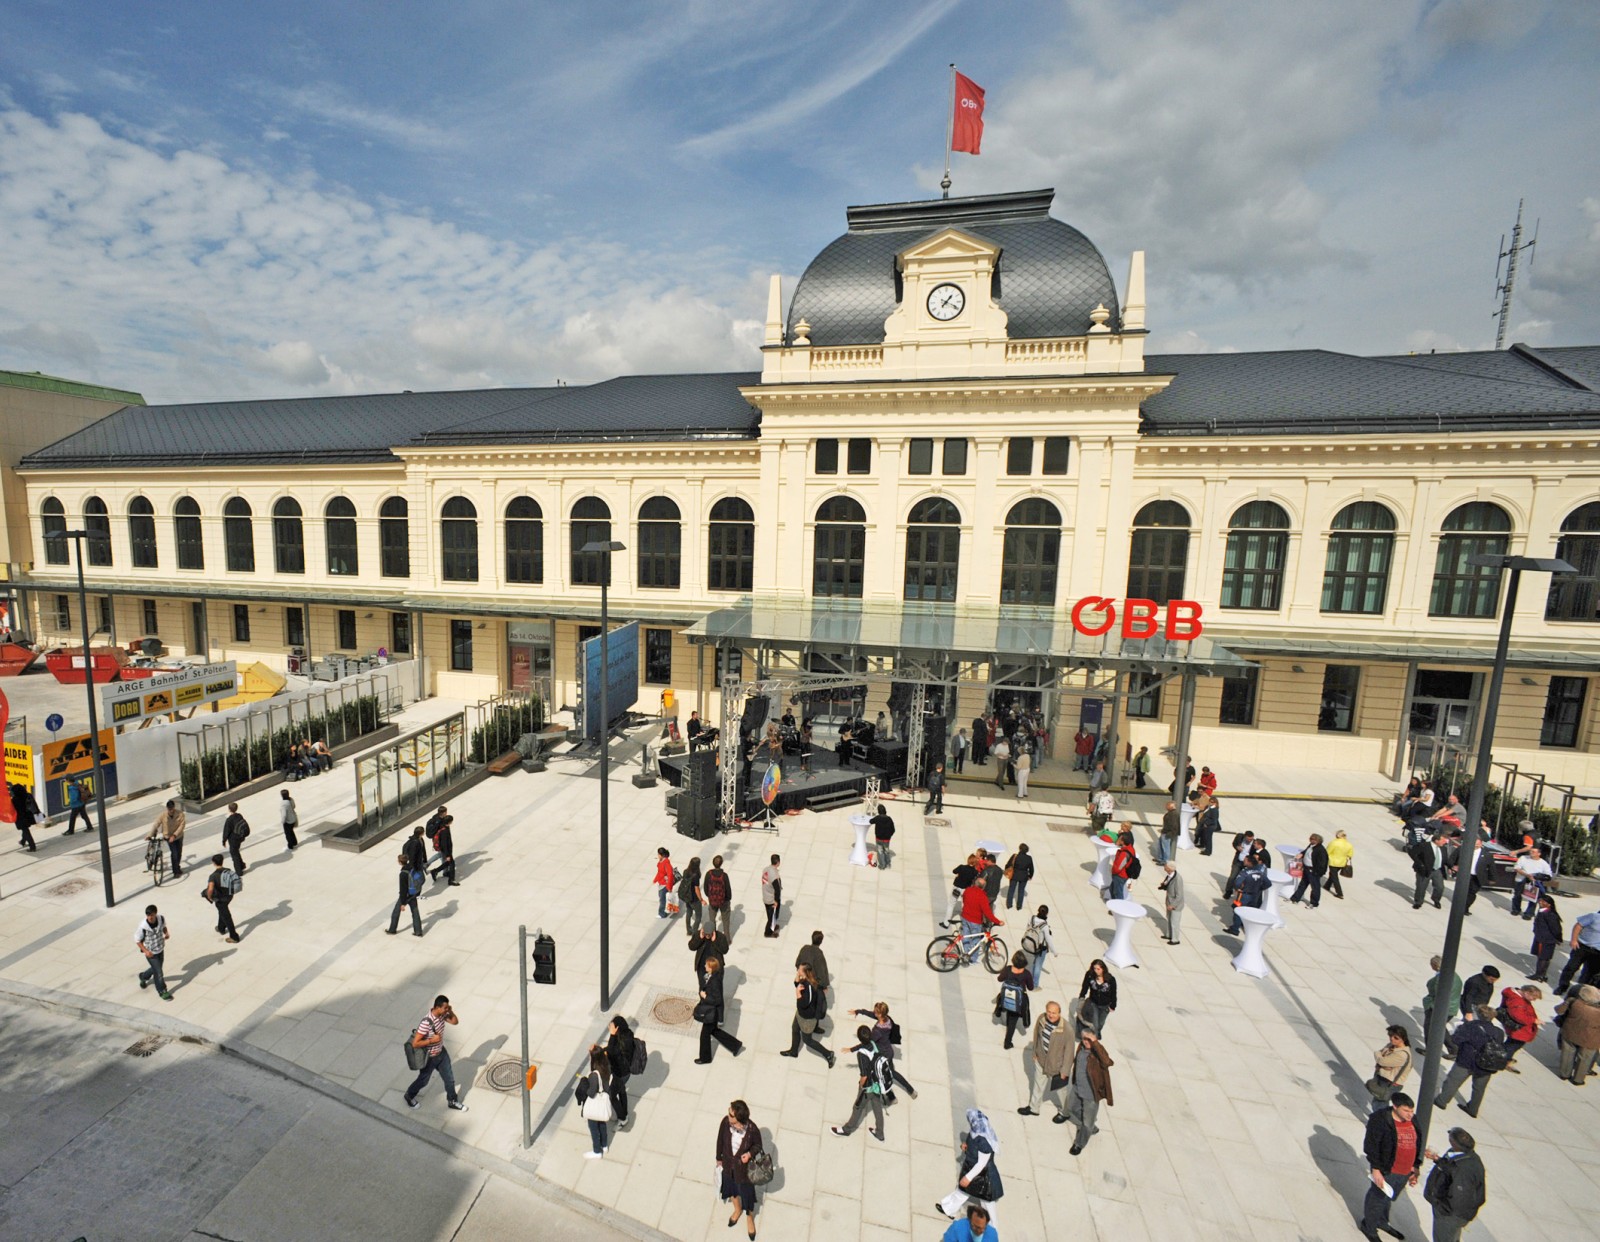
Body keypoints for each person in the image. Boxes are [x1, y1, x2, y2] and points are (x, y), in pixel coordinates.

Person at [1359, 1094, 1421, 1242]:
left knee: (1388, 1198)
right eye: (1406, 1110)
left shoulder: (1413, 1119)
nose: (1410, 1114)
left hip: (1405, 1171)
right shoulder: (1380, 1120)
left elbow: (1418, 1142)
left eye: (1411, 1111)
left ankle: (1381, 1221)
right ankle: (1369, 1227)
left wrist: (1415, 1166)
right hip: (1388, 1169)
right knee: (1377, 1199)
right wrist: (1376, 1169)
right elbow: (1371, 1146)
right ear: (1395, 1107)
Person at [1434, 1004, 1507, 1118]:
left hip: (1466, 1061)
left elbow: (1456, 1040)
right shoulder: (1499, 1032)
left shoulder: (1471, 1026)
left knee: (1453, 1082)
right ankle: (1473, 1109)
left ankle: (1442, 1101)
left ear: (1478, 1014)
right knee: (1479, 1088)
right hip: (1486, 1065)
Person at [936, 1108, 1003, 1221]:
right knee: (962, 1191)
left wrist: (968, 1178)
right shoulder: (976, 1131)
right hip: (973, 1170)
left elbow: (982, 1163)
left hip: (985, 1177)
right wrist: (966, 1146)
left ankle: (992, 1232)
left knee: (988, 1204)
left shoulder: (983, 1142)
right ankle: (949, 1209)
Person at [1423, 1128, 1487, 1242]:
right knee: (1452, 1238)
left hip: (1450, 1215)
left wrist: (1440, 1207)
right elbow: (1450, 1169)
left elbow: (1458, 1198)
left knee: (1443, 1238)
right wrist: (1437, 1160)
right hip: (1452, 1213)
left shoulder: (1464, 1169)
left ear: (1454, 1142)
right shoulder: (1463, 1155)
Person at [404, 995, 467, 1111]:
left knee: (449, 1079)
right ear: (437, 1007)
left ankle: (452, 1101)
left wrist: (450, 1011)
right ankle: (409, 1095)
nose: (447, 1010)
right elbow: (415, 1043)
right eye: (445, 1008)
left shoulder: (442, 1015)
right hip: (429, 1058)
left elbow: (455, 1022)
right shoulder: (426, 1023)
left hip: (441, 1053)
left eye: (448, 1007)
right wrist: (431, 1040)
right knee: (423, 1080)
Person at [830, 1024, 888, 1142]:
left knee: (857, 1107)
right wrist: (851, 1049)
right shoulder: (874, 1044)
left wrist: (861, 1086)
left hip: (868, 1086)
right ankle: (880, 1133)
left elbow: (864, 1075)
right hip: (878, 1083)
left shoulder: (861, 1055)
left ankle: (847, 1130)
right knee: (877, 1107)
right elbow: (864, 1045)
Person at [716, 1099, 763, 1239]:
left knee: (747, 1196)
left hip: (744, 1172)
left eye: (732, 1116)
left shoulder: (752, 1130)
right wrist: (718, 1158)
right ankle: (737, 1210)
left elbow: (758, 1146)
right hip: (728, 1167)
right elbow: (719, 1140)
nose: (728, 1116)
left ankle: (749, 1218)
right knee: (732, 1191)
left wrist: (749, 1154)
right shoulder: (725, 1122)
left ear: (740, 1120)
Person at [1016, 998, 1070, 1120]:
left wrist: (1065, 1071)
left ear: (1059, 1013)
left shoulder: (1067, 1029)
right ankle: (1034, 1108)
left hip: (1057, 1066)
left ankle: (1065, 1112)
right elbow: (1036, 1035)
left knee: (1061, 1091)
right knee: (1038, 1084)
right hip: (1041, 1060)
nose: (1051, 1015)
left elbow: (1069, 1052)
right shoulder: (1042, 1019)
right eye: (1049, 1012)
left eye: (1054, 1012)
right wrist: (1035, 1051)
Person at [849, 1001, 916, 1100]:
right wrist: (859, 1011)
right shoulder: (887, 1019)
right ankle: (910, 1091)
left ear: (880, 1014)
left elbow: (867, 1042)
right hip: (888, 1051)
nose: (874, 1013)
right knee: (889, 1074)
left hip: (883, 1054)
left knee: (882, 1076)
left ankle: (895, 1097)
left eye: (876, 1012)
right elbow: (871, 1014)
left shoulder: (878, 1031)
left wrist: (852, 1049)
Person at [1064, 1028, 1114, 1155]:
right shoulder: (1081, 1047)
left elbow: (1107, 1062)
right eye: (1084, 1039)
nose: (1086, 1042)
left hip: (1091, 1094)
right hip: (1077, 1088)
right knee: (1071, 1108)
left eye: (1089, 1039)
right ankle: (1091, 1127)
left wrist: (1095, 1043)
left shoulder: (1098, 1053)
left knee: (1086, 1122)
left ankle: (1079, 1143)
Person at [781, 963, 834, 1065]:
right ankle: (793, 1051)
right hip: (800, 1014)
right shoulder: (807, 979)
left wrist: (798, 994)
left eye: (799, 969)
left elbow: (804, 1003)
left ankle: (828, 1053)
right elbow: (800, 985)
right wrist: (797, 980)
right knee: (795, 1029)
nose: (798, 970)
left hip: (807, 1018)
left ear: (804, 972)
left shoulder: (809, 986)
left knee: (808, 1041)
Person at [695, 956, 743, 1062]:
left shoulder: (715, 981)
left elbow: (717, 1000)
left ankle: (705, 1058)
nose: (704, 966)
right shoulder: (711, 976)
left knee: (704, 1036)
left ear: (711, 968)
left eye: (706, 965)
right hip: (712, 1013)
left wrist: (705, 996)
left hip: (712, 1013)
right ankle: (735, 1045)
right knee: (715, 1032)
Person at [1554, 983, 1600, 1085]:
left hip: (1570, 1032)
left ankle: (1564, 1074)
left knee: (1567, 1053)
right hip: (1590, 1038)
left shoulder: (1574, 1002)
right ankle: (1578, 1079)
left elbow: (1558, 1010)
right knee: (1584, 1059)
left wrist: (1566, 1002)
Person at [594, 1014, 636, 1125]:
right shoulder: (627, 1035)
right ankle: (625, 1113)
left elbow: (612, 1051)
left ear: (616, 1028)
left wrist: (612, 1035)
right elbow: (611, 1049)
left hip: (620, 1073)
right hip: (625, 1072)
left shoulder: (618, 1041)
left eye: (611, 1026)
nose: (609, 1028)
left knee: (612, 1096)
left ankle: (622, 1119)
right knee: (621, 1091)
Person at [1554, 906, 1600, 996]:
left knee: (1590, 973)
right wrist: (1574, 940)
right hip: (1582, 947)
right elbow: (1578, 926)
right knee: (1571, 967)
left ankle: (1582, 992)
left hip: (1597, 952)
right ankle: (1562, 986)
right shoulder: (1593, 916)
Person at [995, 952, 1034, 1049]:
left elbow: (999, 979)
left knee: (1000, 998)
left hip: (1006, 997)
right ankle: (1007, 1043)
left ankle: (999, 1010)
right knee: (1013, 1020)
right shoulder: (1026, 974)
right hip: (1019, 1002)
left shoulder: (1008, 969)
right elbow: (1031, 987)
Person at [135, 903, 174, 1000]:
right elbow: (137, 940)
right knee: (159, 973)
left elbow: (164, 926)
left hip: (160, 948)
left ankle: (143, 976)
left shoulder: (161, 919)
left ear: (155, 914)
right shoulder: (143, 926)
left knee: (156, 969)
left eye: (151, 915)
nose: (150, 917)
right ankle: (162, 991)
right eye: (148, 915)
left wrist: (166, 933)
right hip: (151, 952)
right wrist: (146, 951)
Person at [578, 1047, 612, 1159]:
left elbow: (591, 1093)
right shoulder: (607, 1067)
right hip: (603, 1101)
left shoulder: (594, 1075)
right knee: (602, 1124)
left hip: (595, 1103)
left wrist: (585, 1084)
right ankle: (604, 1145)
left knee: (593, 1127)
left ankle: (597, 1151)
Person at [1498, 983, 1542, 1069]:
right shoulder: (1517, 1001)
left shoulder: (1515, 996)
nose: (1534, 1000)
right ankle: (1504, 1061)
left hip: (1516, 1027)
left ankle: (1502, 1056)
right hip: (1519, 1029)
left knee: (1510, 1043)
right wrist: (1533, 1020)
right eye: (1533, 997)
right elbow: (1519, 1016)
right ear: (1527, 993)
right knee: (1513, 1045)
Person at [1368, 1024, 1412, 1107]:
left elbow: (1381, 1060)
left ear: (1403, 1039)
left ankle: (1381, 1120)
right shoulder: (1392, 1046)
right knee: (1378, 1102)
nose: (1392, 1039)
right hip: (1384, 1080)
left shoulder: (1402, 1054)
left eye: (1396, 1038)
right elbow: (1382, 1059)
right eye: (1391, 1036)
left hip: (1389, 1083)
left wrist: (1377, 1054)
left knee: (1379, 1104)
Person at [204, 852, 242, 943]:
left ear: (213, 863)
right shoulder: (228, 871)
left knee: (226, 916)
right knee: (222, 910)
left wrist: (209, 897)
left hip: (220, 899)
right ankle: (221, 928)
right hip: (229, 896)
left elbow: (210, 889)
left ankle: (234, 936)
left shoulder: (213, 876)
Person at [1423, 955, 1462, 1038]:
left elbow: (1435, 991)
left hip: (1440, 1007)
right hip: (1452, 1007)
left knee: (1430, 1027)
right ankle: (1452, 1047)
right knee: (1439, 1028)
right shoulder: (1455, 976)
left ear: (1435, 966)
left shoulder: (1441, 978)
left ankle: (1450, 1046)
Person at [386, 850, 423, 936]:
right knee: (415, 912)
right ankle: (418, 931)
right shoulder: (411, 868)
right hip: (413, 893)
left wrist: (403, 903)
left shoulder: (403, 874)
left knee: (396, 912)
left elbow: (403, 889)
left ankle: (392, 929)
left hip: (406, 895)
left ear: (400, 862)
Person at [1510, 846, 1553, 919]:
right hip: (1521, 880)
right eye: (1531, 851)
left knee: (1533, 899)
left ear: (1539, 853)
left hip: (1534, 882)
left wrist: (1537, 877)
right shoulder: (1523, 858)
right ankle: (1516, 909)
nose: (1531, 852)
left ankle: (1529, 913)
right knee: (1517, 895)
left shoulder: (1543, 863)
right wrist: (1527, 875)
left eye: (1533, 851)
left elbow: (1548, 875)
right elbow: (1517, 868)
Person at [148, 799, 186, 879]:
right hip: (168, 837)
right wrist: (150, 835)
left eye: (172, 808)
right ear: (167, 808)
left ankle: (177, 867)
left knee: (179, 853)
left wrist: (175, 835)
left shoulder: (180, 814)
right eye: (169, 809)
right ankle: (175, 872)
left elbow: (182, 826)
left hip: (178, 836)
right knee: (174, 853)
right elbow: (156, 824)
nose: (171, 810)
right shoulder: (163, 815)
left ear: (174, 807)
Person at [1289, 833, 1329, 908]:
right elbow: (1306, 851)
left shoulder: (1321, 850)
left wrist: (1317, 872)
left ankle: (1314, 903)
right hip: (1306, 869)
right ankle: (1295, 898)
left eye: (1312, 839)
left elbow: (1323, 863)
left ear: (1317, 841)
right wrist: (1301, 854)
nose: (1310, 840)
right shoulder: (1311, 845)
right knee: (1302, 884)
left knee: (1315, 888)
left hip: (1313, 871)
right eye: (1310, 839)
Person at [1411, 832, 1447, 910]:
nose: (1445, 842)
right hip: (1425, 870)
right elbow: (1412, 853)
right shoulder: (1424, 846)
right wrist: (1420, 864)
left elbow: (1445, 860)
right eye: (1443, 840)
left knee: (1440, 887)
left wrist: (1452, 867)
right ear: (1436, 840)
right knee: (1421, 887)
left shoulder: (1443, 848)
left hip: (1437, 870)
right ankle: (1418, 902)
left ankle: (1436, 899)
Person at [1530, 894, 1563, 981]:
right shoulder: (1542, 911)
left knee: (1543, 958)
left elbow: (1556, 928)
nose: (1540, 902)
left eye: (1543, 901)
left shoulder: (1550, 914)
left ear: (1549, 904)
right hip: (1540, 937)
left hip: (1546, 940)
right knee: (1541, 956)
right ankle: (1541, 974)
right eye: (1540, 900)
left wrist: (1558, 938)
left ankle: (1539, 975)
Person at [943, 855, 980, 928]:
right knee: (965, 907)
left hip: (957, 888)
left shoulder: (962, 867)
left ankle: (946, 923)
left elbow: (954, 871)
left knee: (951, 905)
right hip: (966, 890)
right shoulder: (975, 872)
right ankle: (964, 925)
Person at [704, 855, 733, 939]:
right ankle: (727, 939)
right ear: (721, 864)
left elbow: (706, 888)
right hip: (724, 901)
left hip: (712, 901)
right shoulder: (724, 876)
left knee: (712, 920)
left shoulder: (708, 874)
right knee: (726, 921)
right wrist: (727, 899)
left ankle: (713, 937)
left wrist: (710, 896)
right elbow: (728, 890)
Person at [1022, 905, 1055, 978]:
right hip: (1040, 947)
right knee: (1038, 965)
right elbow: (1048, 939)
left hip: (1030, 943)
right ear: (1046, 914)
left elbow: (1027, 928)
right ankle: (1035, 984)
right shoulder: (1044, 925)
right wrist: (1054, 952)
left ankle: (1028, 980)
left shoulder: (1032, 918)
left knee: (1031, 963)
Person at [219, 802, 250, 875]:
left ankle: (239, 871)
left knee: (234, 854)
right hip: (240, 838)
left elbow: (226, 831)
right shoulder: (239, 815)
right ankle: (242, 865)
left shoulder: (229, 820)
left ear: (229, 809)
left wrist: (224, 840)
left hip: (233, 839)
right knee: (236, 851)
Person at [1223, 830, 1257, 898]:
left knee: (1243, 879)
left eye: (1251, 839)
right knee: (1232, 877)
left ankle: (1240, 892)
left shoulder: (1254, 844)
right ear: (1245, 837)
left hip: (1247, 863)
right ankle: (1228, 891)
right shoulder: (1240, 837)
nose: (1250, 840)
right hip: (1238, 861)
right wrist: (1237, 847)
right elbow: (1234, 843)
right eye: (1248, 839)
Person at [429, 810, 458, 886]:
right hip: (446, 850)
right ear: (449, 822)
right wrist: (448, 855)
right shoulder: (445, 831)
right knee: (452, 864)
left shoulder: (444, 827)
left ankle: (435, 871)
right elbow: (445, 844)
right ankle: (451, 880)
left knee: (448, 863)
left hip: (446, 850)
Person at [677, 857, 704, 938]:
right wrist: (701, 899)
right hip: (694, 898)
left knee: (689, 912)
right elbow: (696, 889)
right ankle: (695, 932)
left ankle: (688, 930)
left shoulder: (685, 871)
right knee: (698, 916)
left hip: (687, 896)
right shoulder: (696, 875)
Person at [1159, 862, 1184, 945]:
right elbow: (1167, 884)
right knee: (1169, 919)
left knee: (1175, 922)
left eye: (1165, 866)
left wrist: (1173, 905)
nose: (1164, 867)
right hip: (1169, 902)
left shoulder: (1178, 879)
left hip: (1175, 905)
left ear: (1170, 869)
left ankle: (1175, 939)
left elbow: (1179, 895)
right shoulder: (1170, 875)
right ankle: (1169, 935)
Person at [1003, 844, 1033, 910]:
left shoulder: (1015, 856)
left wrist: (1007, 870)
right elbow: (1031, 868)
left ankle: (1009, 904)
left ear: (1020, 849)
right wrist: (1030, 876)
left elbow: (1008, 864)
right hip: (1024, 876)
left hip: (1014, 875)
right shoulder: (1029, 858)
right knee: (1021, 891)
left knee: (1011, 889)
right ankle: (1019, 906)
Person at [1109, 832, 1138, 902]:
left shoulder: (1124, 854)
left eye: (1119, 839)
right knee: (1112, 889)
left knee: (1118, 894)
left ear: (1123, 841)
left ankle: (1118, 908)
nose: (1117, 840)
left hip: (1120, 876)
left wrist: (1113, 871)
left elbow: (1118, 867)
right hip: (1122, 875)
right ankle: (1114, 906)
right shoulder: (1130, 848)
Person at [1325, 828, 1353, 899]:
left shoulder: (1334, 842)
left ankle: (1339, 893)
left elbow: (1327, 852)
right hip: (1342, 863)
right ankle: (1327, 885)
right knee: (1332, 874)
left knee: (1334, 877)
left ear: (1337, 835)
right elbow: (1350, 855)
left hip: (1333, 862)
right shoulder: (1349, 844)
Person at [10, 781, 37, 851]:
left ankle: (32, 846)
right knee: (25, 829)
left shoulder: (15, 800)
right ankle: (23, 841)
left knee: (25, 830)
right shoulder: (28, 795)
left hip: (21, 817)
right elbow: (34, 804)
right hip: (29, 815)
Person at [760, 854, 782, 936]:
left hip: (765, 896)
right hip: (771, 899)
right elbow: (777, 890)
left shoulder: (766, 869)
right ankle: (768, 932)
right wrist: (776, 901)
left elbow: (765, 882)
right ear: (778, 862)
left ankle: (773, 927)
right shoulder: (774, 875)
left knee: (770, 915)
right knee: (772, 917)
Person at [870, 804, 896, 871]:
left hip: (879, 838)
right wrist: (889, 835)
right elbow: (893, 830)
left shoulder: (877, 818)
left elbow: (871, 821)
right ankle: (888, 864)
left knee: (880, 851)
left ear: (879, 811)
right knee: (886, 851)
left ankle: (882, 865)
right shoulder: (889, 819)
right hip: (887, 839)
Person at [653, 846, 675, 919]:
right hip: (661, 883)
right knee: (662, 898)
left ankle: (661, 913)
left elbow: (670, 875)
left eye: (658, 854)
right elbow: (659, 872)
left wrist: (669, 887)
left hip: (665, 884)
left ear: (661, 855)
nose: (658, 855)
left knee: (662, 899)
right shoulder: (661, 861)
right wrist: (655, 879)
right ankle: (666, 910)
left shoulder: (666, 863)